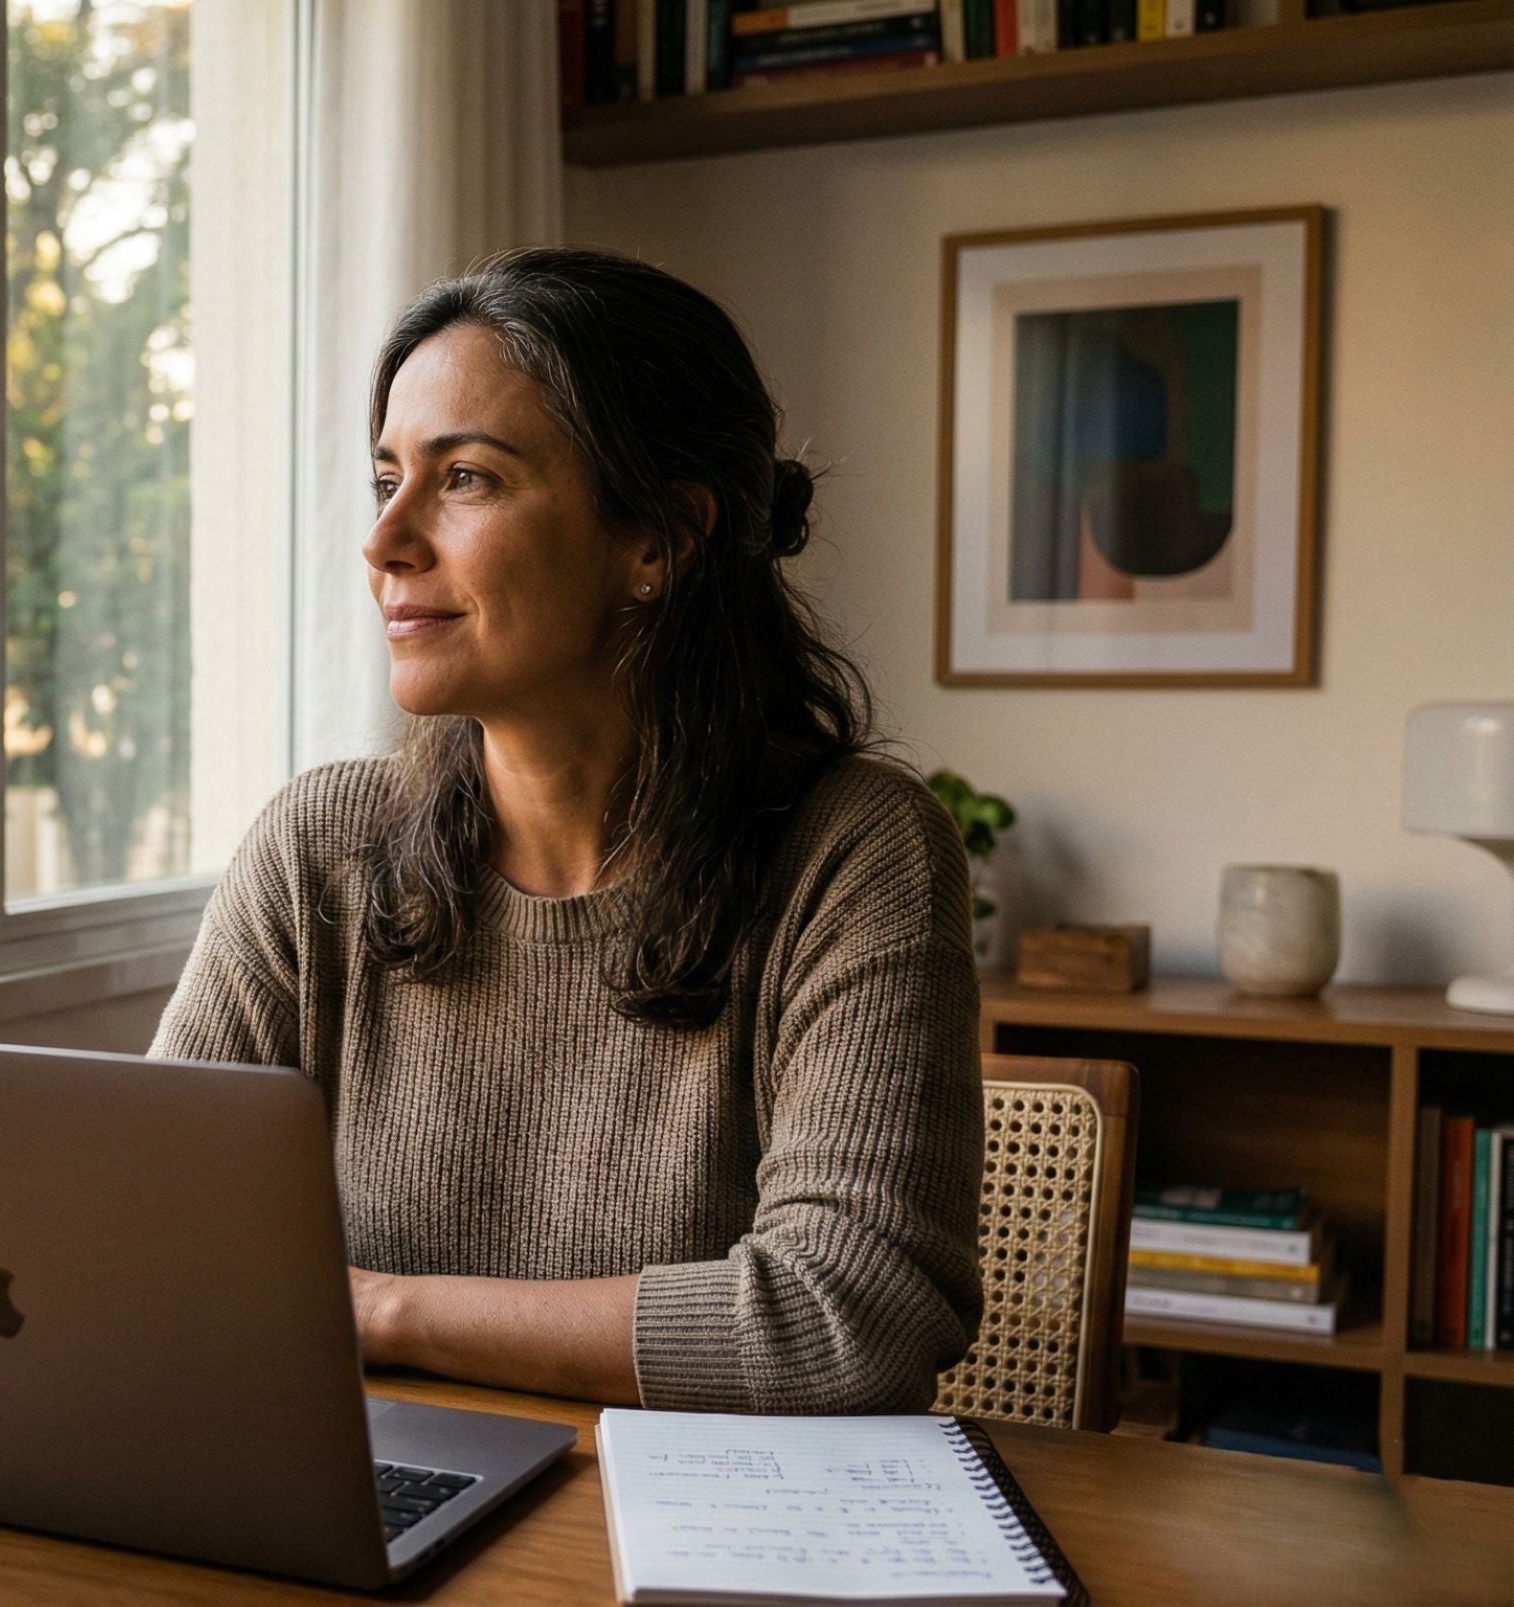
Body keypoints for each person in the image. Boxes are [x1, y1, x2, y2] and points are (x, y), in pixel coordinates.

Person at [152, 247, 982, 1415]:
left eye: (468, 479)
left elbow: (848, 1316)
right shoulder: (315, 847)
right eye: (385, 476)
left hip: (695, 1540)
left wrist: (382, 1307)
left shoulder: (856, 851)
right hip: (365, 1499)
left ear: (661, 539)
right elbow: (144, 1230)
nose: (385, 539)